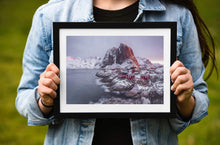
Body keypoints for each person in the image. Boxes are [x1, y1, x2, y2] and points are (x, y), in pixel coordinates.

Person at [16, 0, 217, 145]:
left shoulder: (178, 15)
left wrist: (184, 100)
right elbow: (24, 96)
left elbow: (199, 99)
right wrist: (45, 101)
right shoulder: (50, 15)